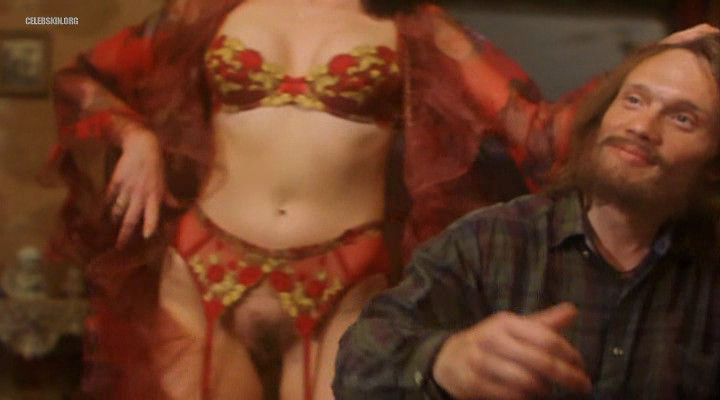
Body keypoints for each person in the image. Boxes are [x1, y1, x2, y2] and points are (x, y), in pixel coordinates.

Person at [46, 0, 715, 398]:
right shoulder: (206, 8)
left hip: (343, 280)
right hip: (201, 268)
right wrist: (132, 134)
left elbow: (539, 132)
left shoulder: (416, 22)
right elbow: (82, 76)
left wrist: (651, 68)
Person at [333, 33, 720, 400]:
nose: (640, 127)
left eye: (682, 119)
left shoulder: (708, 267)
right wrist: (444, 361)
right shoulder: (492, 240)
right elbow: (357, 362)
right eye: (634, 100)